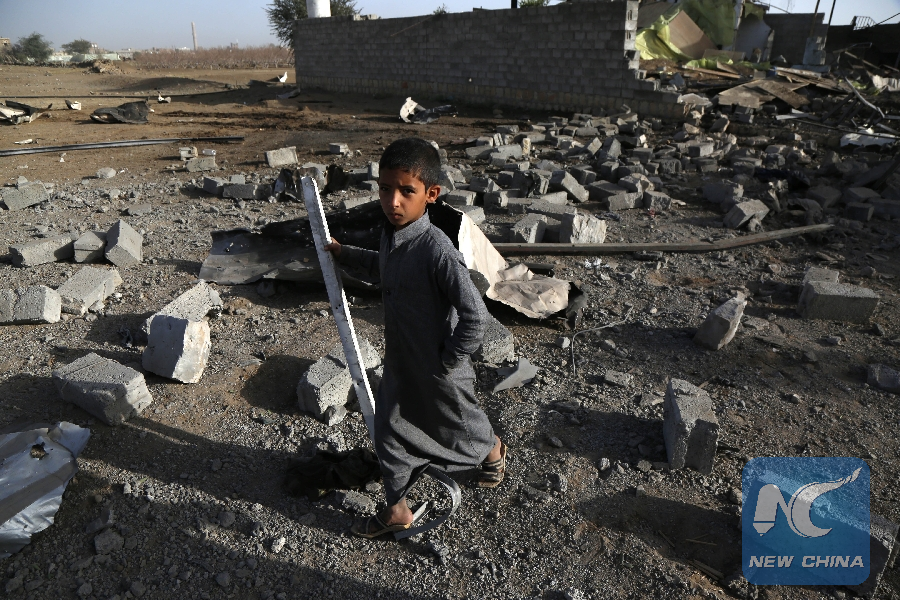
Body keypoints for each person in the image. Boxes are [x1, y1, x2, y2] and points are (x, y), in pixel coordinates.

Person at [323, 137, 506, 538]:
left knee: (462, 424)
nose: (393, 201)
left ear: (431, 194)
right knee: (388, 429)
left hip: (440, 369)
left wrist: (450, 359)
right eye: (385, 189)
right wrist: (344, 253)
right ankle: (398, 509)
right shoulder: (392, 235)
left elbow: (476, 315)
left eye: (407, 191)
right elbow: (382, 268)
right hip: (402, 360)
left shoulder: (436, 250)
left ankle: (491, 449)